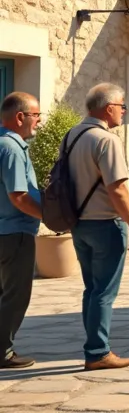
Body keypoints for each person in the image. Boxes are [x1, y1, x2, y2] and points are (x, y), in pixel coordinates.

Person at [69, 83, 129, 371]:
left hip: (79, 224)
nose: (124, 111)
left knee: (91, 289)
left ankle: (94, 347)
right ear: (108, 108)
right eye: (122, 106)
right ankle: (98, 352)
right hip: (105, 225)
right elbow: (118, 189)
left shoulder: (72, 136)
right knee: (104, 292)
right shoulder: (106, 140)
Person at [0, 92, 42, 369]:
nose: (38, 121)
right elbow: (19, 196)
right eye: (36, 115)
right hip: (15, 234)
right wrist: (50, 215)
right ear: (19, 117)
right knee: (15, 295)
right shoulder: (12, 148)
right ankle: (2, 351)